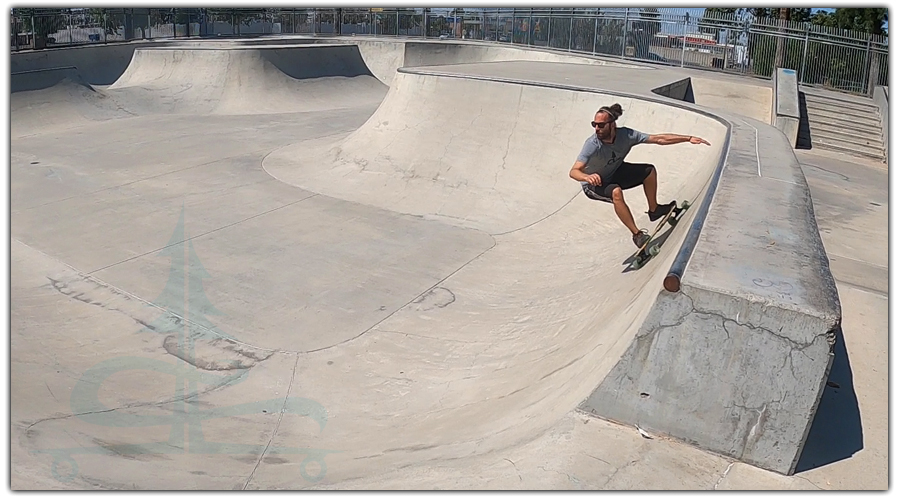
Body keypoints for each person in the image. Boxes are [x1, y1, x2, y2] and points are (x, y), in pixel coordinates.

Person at [569, 103, 711, 248]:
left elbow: (658, 139)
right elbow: (574, 171)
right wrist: (587, 177)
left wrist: (688, 138)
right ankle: (637, 235)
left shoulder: (627, 135)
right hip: (594, 185)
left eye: (601, 125)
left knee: (649, 171)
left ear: (612, 125)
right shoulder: (592, 144)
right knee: (616, 192)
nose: (597, 129)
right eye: (594, 125)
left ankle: (654, 210)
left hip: (614, 171)